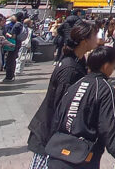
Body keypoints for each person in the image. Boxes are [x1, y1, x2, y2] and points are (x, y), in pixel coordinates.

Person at [27, 19, 99, 169]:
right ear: (84, 40)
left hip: (55, 136)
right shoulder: (70, 69)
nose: (97, 39)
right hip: (50, 135)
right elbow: (61, 106)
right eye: (94, 36)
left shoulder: (77, 61)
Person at [46, 46, 115, 169]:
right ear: (105, 65)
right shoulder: (104, 89)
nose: (114, 69)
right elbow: (108, 126)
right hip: (82, 157)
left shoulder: (76, 85)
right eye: (114, 65)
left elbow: (58, 117)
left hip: (58, 152)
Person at [4, 13, 26, 81]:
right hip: (18, 43)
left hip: (14, 43)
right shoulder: (21, 24)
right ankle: (10, 75)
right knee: (12, 59)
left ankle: (9, 76)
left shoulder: (17, 25)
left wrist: (6, 34)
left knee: (10, 60)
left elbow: (13, 36)